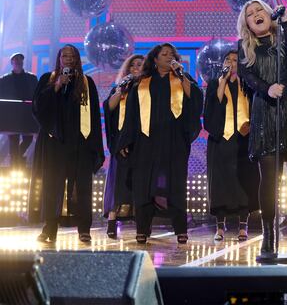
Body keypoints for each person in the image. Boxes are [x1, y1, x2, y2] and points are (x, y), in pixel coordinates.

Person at [237, 0, 287, 262]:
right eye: (250, 14)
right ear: (247, 23)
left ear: (269, 14)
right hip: (267, 111)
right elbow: (248, 77)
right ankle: (269, 239)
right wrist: (266, 88)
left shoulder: (285, 35)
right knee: (270, 180)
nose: (256, 14)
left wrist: (286, 24)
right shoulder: (244, 47)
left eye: (259, 9)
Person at [118, 43, 203, 244]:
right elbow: (131, 114)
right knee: (144, 184)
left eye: (171, 54)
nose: (168, 56)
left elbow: (196, 99)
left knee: (176, 184)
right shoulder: (142, 83)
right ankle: (143, 228)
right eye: (164, 54)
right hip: (145, 140)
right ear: (155, 59)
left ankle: (180, 228)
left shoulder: (182, 79)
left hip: (174, 140)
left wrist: (182, 76)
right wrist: (126, 139)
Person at [30, 45, 104, 243]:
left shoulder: (87, 83)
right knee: (52, 186)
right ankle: (49, 228)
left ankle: (84, 229)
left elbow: (95, 117)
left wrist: (96, 145)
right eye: (65, 55)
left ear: (77, 59)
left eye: (72, 56)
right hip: (55, 143)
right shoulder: (48, 78)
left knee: (82, 187)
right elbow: (37, 107)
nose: (68, 59)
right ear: (59, 58)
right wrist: (56, 86)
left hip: (81, 142)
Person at [204, 50, 259, 242]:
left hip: (243, 140)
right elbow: (212, 107)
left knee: (242, 184)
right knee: (220, 185)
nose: (231, 63)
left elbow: (257, 110)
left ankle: (243, 227)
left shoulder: (248, 85)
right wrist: (222, 82)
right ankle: (220, 227)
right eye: (228, 59)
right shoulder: (215, 83)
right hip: (220, 141)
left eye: (235, 60)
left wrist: (252, 126)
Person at [102, 54, 144, 239]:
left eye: (140, 65)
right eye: (133, 65)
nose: (136, 68)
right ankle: (112, 219)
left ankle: (141, 224)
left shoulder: (148, 89)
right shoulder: (121, 88)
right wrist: (120, 90)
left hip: (141, 141)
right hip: (120, 142)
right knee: (117, 181)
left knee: (138, 183)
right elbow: (109, 107)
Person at [0, 52, 38, 168]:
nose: (18, 62)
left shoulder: (31, 78)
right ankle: (15, 164)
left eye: (20, 60)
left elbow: (37, 93)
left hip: (26, 115)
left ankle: (18, 158)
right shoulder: (4, 80)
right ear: (12, 63)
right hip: (11, 116)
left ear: (22, 62)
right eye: (15, 60)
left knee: (28, 138)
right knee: (13, 141)